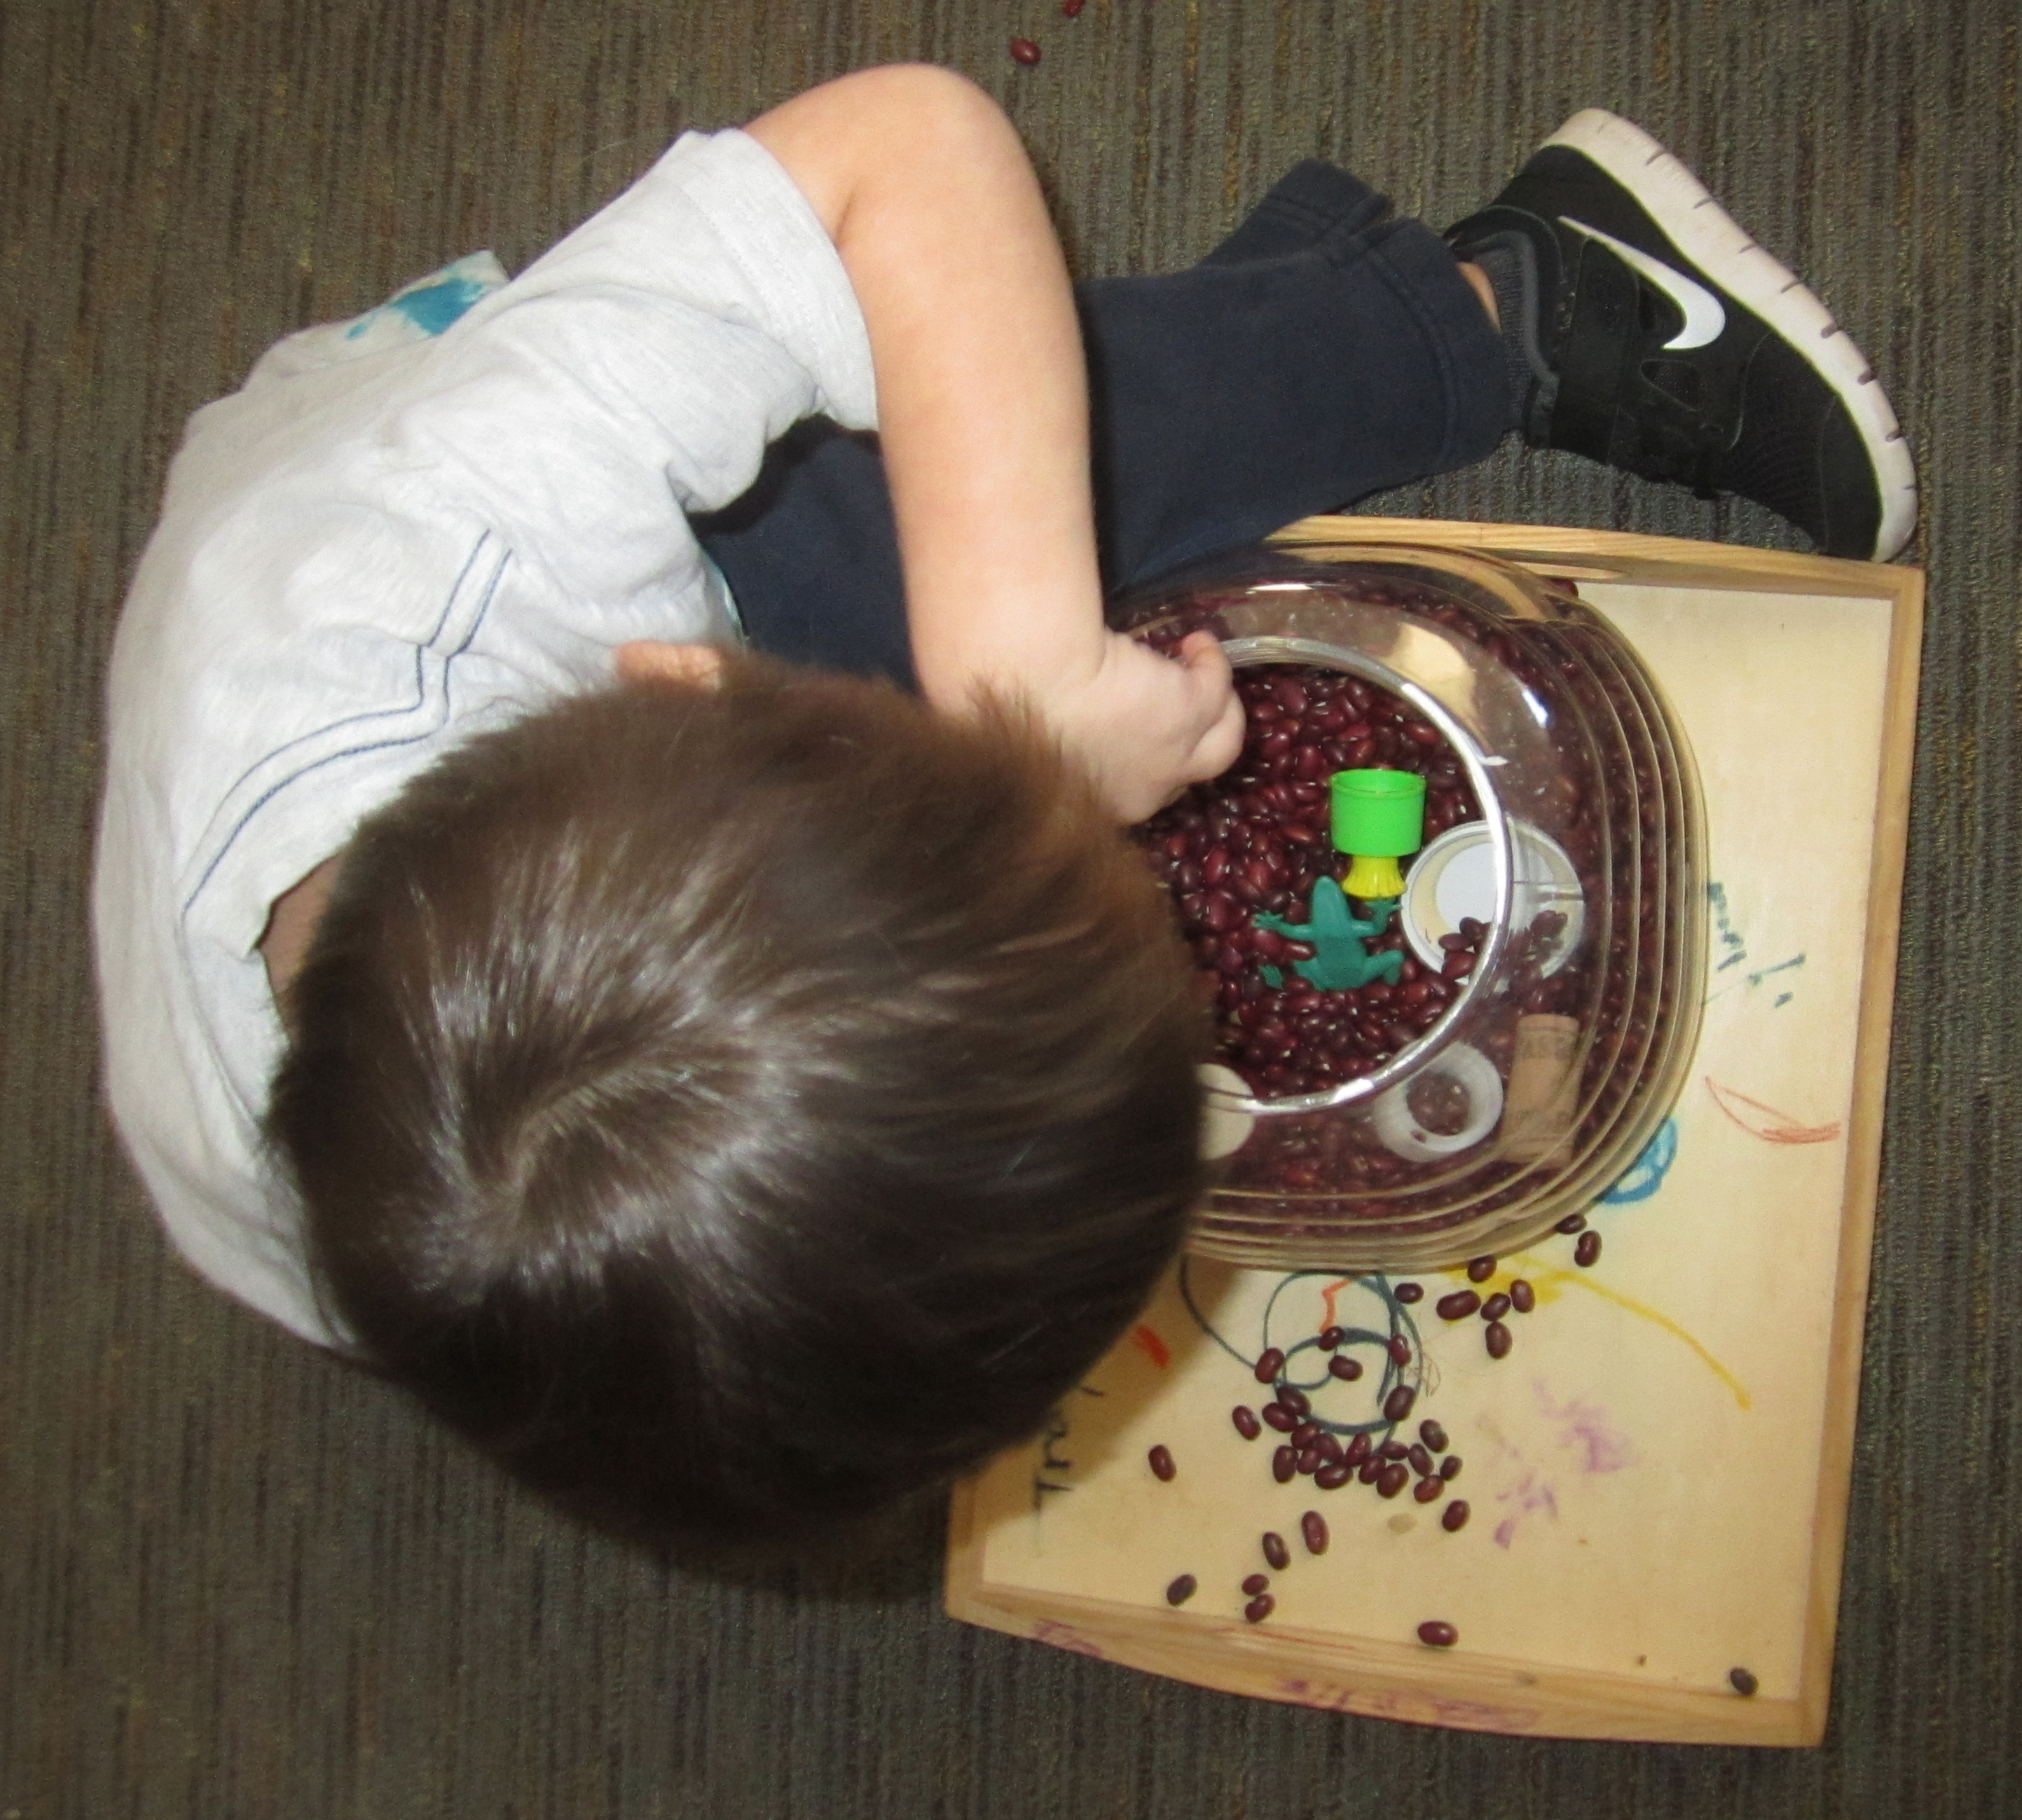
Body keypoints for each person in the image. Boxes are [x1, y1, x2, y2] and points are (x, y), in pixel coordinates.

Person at [93, 67, 1914, 1556]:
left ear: (690, 686)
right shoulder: (338, 1233)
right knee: (1086, 509)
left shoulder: (505, 527)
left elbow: (909, 155)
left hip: (495, 446)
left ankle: (1509, 302)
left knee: (1003, 460)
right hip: (578, 739)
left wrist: (1023, 673)